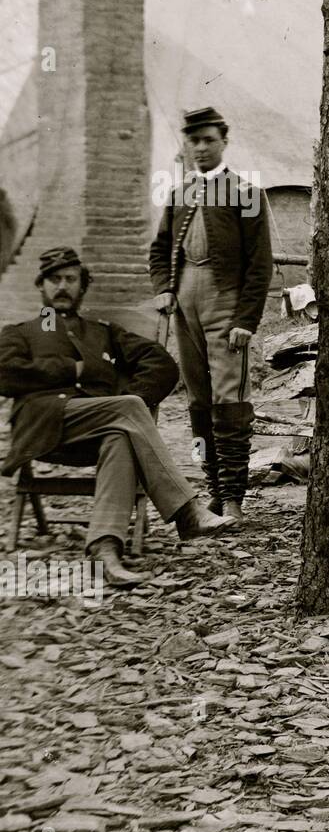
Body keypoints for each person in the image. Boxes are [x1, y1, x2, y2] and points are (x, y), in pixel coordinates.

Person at [0, 248, 232, 584]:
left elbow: (161, 364)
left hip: (96, 430)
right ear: (41, 286)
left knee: (121, 436)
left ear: (82, 287)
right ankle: (186, 512)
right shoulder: (20, 332)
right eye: (54, 280)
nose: (62, 286)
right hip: (42, 425)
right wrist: (71, 368)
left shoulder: (103, 332)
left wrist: (132, 398)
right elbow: (5, 375)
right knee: (128, 411)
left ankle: (105, 553)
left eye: (70, 279)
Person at [149, 107, 273, 528]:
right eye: (194, 141)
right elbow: (159, 249)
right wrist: (164, 287)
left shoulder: (246, 193)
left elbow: (260, 266)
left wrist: (246, 320)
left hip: (226, 305)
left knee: (230, 400)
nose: (200, 148)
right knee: (198, 402)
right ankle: (214, 493)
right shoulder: (179, 194)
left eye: (208, 140)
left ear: (224, 141)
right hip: (185, 306)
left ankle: (235, 497)